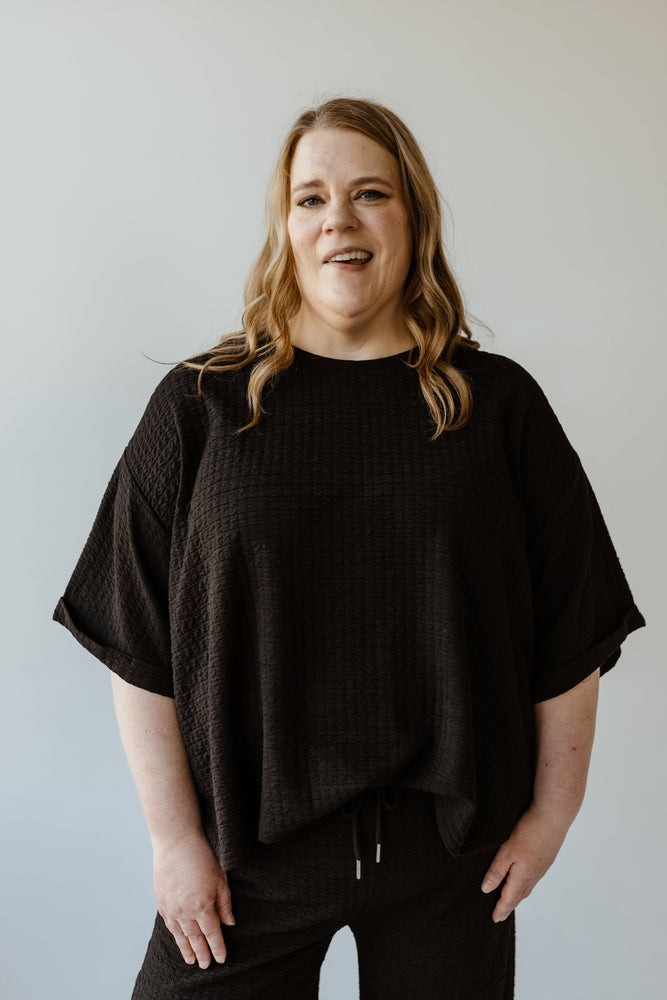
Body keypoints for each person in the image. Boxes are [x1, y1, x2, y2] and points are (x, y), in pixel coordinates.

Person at [52, 96, 646, 1000]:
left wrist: (551, 818)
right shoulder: (201, 405)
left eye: (369, 193)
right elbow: (135, 636)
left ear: (412, 216)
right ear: (285, 226)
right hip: (246, 856)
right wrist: (174, 841)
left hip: (451, 862)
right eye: (310, 198)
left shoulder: (498, 407)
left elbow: (573, 628)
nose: (339, 219)